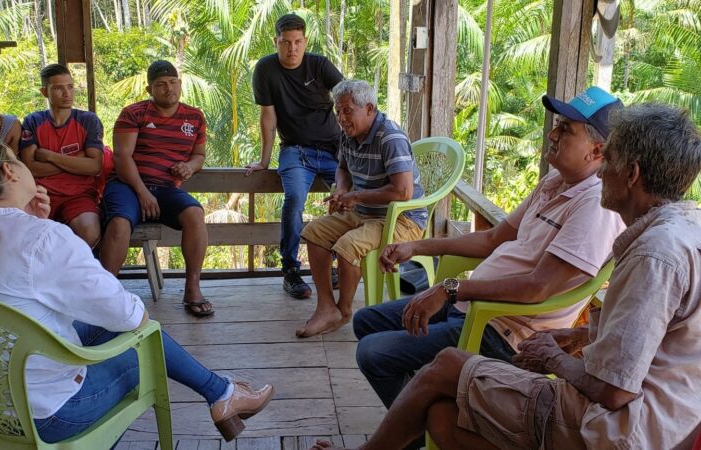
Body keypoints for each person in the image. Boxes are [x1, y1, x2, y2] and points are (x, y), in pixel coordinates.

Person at [310, 103, 701, 450]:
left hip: (609, 427)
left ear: (630, 173)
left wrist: (553, 357)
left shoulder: (653, 254)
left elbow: (614, 390)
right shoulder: (672, 231)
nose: (602, 174)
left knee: (435, 368)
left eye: (609, 161)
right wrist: (582, 336)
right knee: (437, 409)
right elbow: (653, 341)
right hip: (606, 404)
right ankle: (408, 421)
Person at [0, 133, 274, 444]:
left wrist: (35, 220)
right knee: (146, 346)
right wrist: (40, 228)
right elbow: (131, 316)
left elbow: (19, 281)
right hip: (49, 413)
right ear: (9, 171)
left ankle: (222, 393)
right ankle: (221, 395)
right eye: (20, 161)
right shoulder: (42, 239)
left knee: (98, 326)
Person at [351, 87, 625, 440]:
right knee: (366, 321)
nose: (552, 134)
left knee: (373, 353)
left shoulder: (594, 208)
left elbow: (537, 287)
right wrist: (416, 245)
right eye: (556, 124)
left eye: (566, 130)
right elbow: (492, 240)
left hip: (501, 330)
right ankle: (416, 413)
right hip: (470, 305)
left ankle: (413, 435)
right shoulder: (553, 183)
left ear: (597, 150)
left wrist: (449, 289)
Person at [295, 79, 428, 338]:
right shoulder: (348, 134)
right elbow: (343, 169)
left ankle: (344, 312)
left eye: (347, 110)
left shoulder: (390, 137)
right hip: (365, 211)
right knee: (314, 232)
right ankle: (326, 307)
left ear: (369, 109)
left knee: (347, 247)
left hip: (402, 219)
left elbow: (403, 192)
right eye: (338, 111)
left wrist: (356, 196)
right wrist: (342, 190)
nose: (341, 118)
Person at [98, 60, 213, 317]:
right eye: (161, 85)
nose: (168, 88)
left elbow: (199, 155)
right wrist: (142, 192)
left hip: (167, 189)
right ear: (150, 89)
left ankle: (192, 288)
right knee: (119, 223)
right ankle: (103, 296)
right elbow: (122, 158)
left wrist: (190, 166)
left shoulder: (194, 117)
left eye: (173, 83)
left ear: (180, 84)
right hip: (128, 185)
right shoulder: (134, 113)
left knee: (195, 214)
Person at [247, 13, 343, 299]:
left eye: (298, 42)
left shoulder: (320, 65)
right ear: (276, 41)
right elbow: (268, 117)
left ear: (305, 41)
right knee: (293, 201)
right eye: (286, 42)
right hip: (295, 150)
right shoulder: (266, 69)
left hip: (332, 148)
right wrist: (264, 161)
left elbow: (348, 100)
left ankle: (335, 263)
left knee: (346, 197)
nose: (292, 49)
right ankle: (291, 270)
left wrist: (353, 150)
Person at [20, 63, 105, 248]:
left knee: (90, 232)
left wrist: (50, 156)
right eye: (58, 88)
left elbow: (94, 166)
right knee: (26, 238)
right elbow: (30, 167)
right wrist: (77, 159)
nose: (67, 93)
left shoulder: (88, 120)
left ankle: (73, 273)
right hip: (39, 194)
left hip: (78, 195)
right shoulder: (33, 121)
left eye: (70, 86)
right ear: (45, 92)